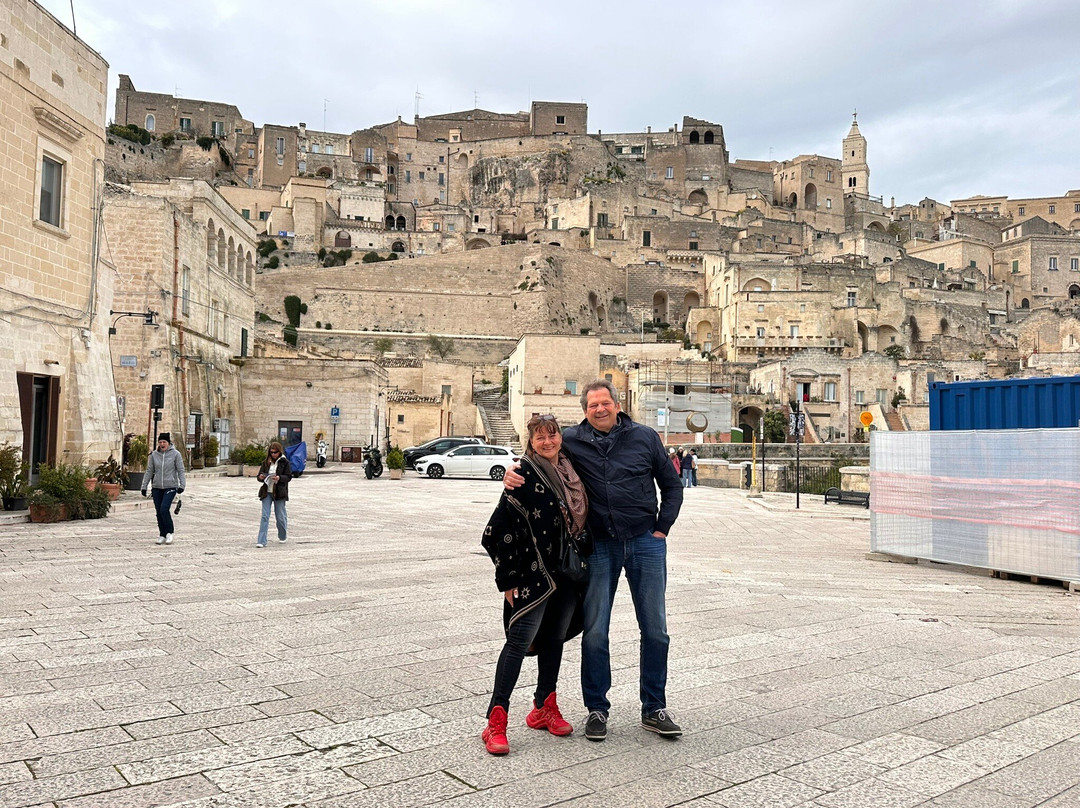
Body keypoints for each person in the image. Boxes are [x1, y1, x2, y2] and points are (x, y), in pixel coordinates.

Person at [503, 379, 684, 741]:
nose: (599, 409)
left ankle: (653, 707)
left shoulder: (645, 437)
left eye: (605, 403)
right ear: (585, 410)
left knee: (655, 630)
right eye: (592, 405)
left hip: (645, 542)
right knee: (596, 631)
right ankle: (597, 709)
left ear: (617, 404)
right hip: (599, 546)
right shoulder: (572, 439)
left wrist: (662, 527)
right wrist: (513, 474)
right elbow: (542, 454)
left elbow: (672, 484)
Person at [480, 414, 590, 756]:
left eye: (552, 435)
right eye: (540, 437)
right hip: (533, 575)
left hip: (568, 573)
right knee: (518, 642)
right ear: (531, 442)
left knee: (555, 639)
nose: (548, 442)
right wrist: (508, 578)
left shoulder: (571, 469)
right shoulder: (523, 472)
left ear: (560, 437)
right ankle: (495, 722)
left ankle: (544, 706)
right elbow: (497, 530)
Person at [141, 432, 186, 546]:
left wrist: (182, 485)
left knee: (164, 509)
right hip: (157, 487)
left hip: (170, 486)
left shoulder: (176, 454)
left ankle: (170, 532)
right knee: (158, 512)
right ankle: (162, 534)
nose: (162, 444)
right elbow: (149, 471)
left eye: (164, 442)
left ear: (169, 443)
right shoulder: (154, 455)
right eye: (160, 442)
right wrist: (144, 486)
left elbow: (180, 470)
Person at [256, 442, 292, 548]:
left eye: (275, 452)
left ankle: (282, 535)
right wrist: (261, 477)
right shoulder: (266, 462)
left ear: (279, 452)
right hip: (267, 491)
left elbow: (289, 477)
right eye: (271, 452)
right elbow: (259, 476)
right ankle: (261, 541)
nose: (273, 454)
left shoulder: (285, 462)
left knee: (280, 516)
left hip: (279, 492)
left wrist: (279, 478)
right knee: (264, 516)